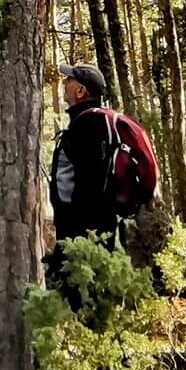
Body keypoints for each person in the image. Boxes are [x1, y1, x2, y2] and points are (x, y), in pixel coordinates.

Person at [47, 62, 117, 269]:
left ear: (81, 91)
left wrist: (72, 234)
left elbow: (87, 184)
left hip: (82, 236)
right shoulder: (95, 122)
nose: (64, 83)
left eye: (69, 79)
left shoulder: (86, 126)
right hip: (98, 231)